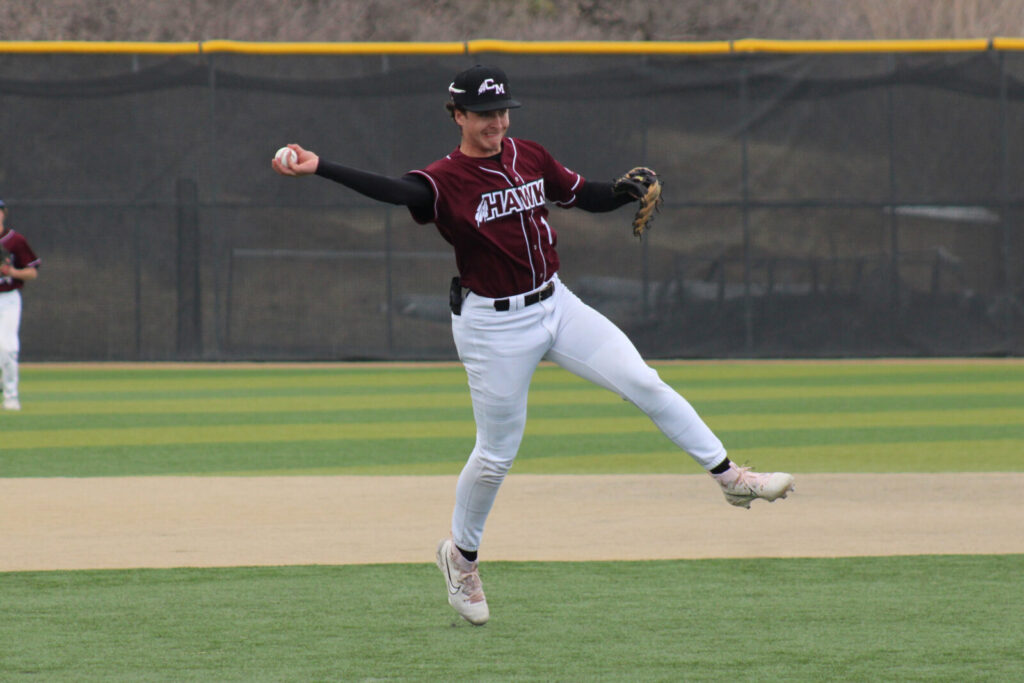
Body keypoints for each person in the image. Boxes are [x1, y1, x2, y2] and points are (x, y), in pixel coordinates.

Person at [272, 64, 794, 626]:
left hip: (556, 304)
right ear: (458, 116)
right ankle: (461, 559)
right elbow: (397, 191)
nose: (496, 121)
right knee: (496, 456)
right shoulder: (444, 179)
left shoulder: (530, 155)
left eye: (502, 111)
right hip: (492, 327)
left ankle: (732, 479)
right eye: (483, 113)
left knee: (644, 381)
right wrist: (320, 167)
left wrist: (620, 192)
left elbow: (581, 196)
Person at [0, 199, 40, 411]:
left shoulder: (15, 241)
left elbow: (33, 272)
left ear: (3, 213)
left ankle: (11, 397)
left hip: (8, 299)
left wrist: (12, 272)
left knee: (8, 348)